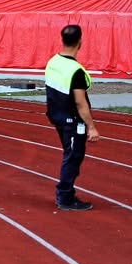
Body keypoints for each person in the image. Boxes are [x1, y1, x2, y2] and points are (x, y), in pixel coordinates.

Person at [44, 24, 100, 211]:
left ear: (63, 40)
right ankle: (65, 196)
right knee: (73, 157)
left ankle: (67, 192)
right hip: (72, 122)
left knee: (70, 154)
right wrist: (91, 126)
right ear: (80, 42)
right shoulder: (76, 71)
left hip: (56, 117)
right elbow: (80, 102)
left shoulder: (53, 62)